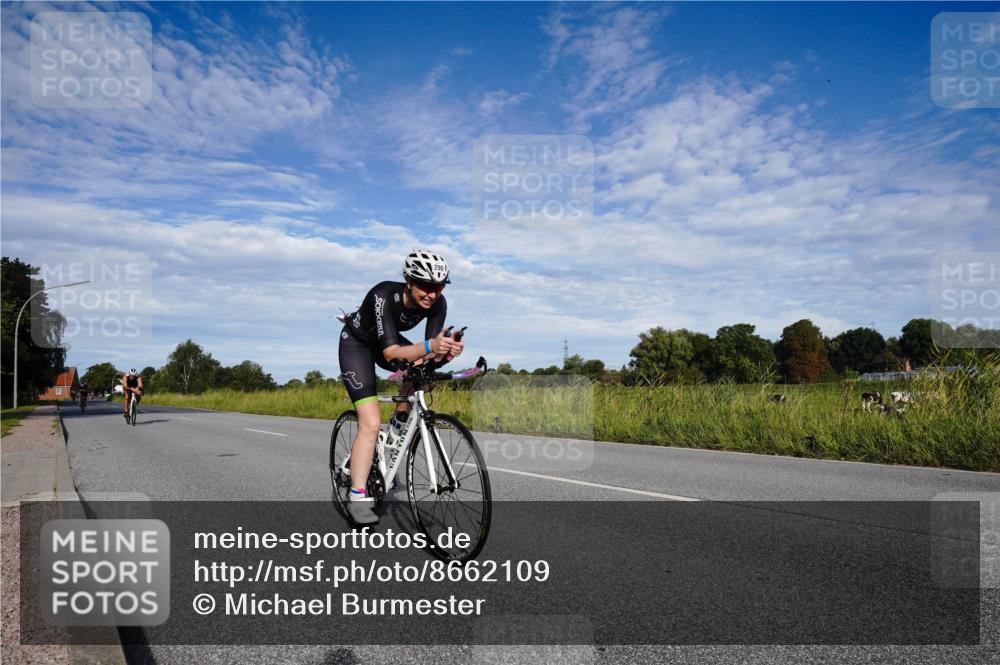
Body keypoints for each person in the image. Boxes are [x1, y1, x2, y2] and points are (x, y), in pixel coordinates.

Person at [338, 249, 464, 525]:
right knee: (369, 423)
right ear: (409, 281)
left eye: (438, 287)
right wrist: (432, 346)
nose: (432, 293)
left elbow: (428, 354)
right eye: (425, 286)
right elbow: (391, 354)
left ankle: (399, 421)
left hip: (389, 344)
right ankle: (358, 496)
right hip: (357, 346)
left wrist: (447, 352)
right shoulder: (383, 294)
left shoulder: (438, 304)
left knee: (423, 367)